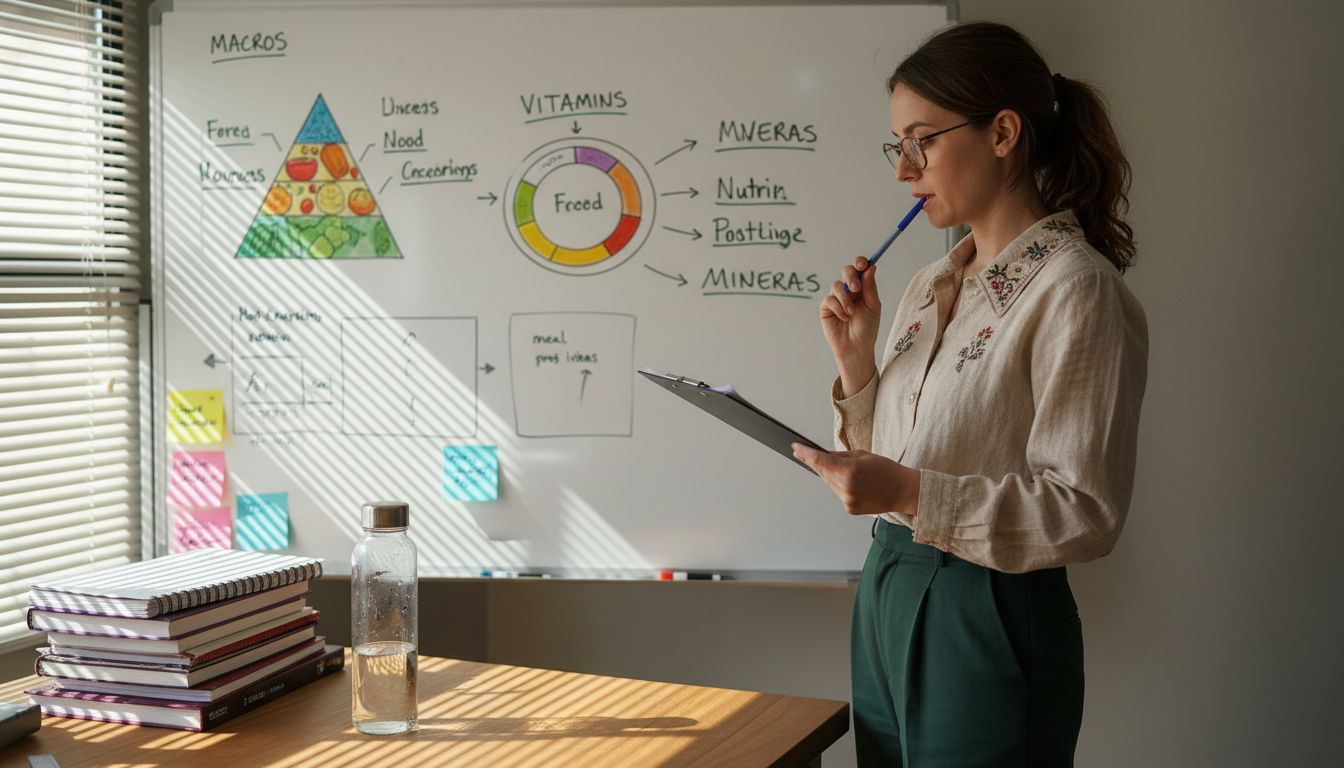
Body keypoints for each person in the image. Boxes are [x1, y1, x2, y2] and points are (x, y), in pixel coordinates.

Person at [789, 21, 1149, 767]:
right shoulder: (928, 285)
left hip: (986, 606)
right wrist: (858, 365)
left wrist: (915, 492)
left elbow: (1086, 512)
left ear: (1003, 133)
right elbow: (892, 462)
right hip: (888, 583)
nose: (903, 170)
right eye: (898, 146)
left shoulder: (1077, 291)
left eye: (921, 141)